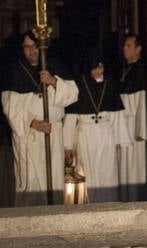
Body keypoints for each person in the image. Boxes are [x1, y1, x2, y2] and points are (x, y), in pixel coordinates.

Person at [1, 30, 78, 205]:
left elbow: (73, 94)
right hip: (29, 137)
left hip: (53, 134)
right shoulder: (16, 71)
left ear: (42, 46)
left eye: (34, 46)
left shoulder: (54, 66)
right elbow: (10, 108)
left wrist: (53, 81)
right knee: (30, 184)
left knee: (54, 183)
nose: (31, 51)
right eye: (26, 47)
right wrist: (33, 123)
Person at [63, 51, 132, 202]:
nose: (97, 71)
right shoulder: (80, 84)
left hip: (106, 133)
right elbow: (70, 117)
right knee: (89, 172)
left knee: (108, 172)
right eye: (94, 68)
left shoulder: (110, 84)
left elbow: (116, 114)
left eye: (100, 67)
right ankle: (93, 207)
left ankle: (110, 205)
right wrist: (67, 145)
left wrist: (121, 140)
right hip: (86, 134)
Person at [117, 33, 147, 201]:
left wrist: (140, 130)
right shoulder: (125, 68)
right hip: (123, 123)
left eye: (128, 46)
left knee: (134, 166)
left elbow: (141, 102)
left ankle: (135, 198)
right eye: (124, 45)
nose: (124, 48)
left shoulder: (140, 70)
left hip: (133, 126)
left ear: (138, 49)